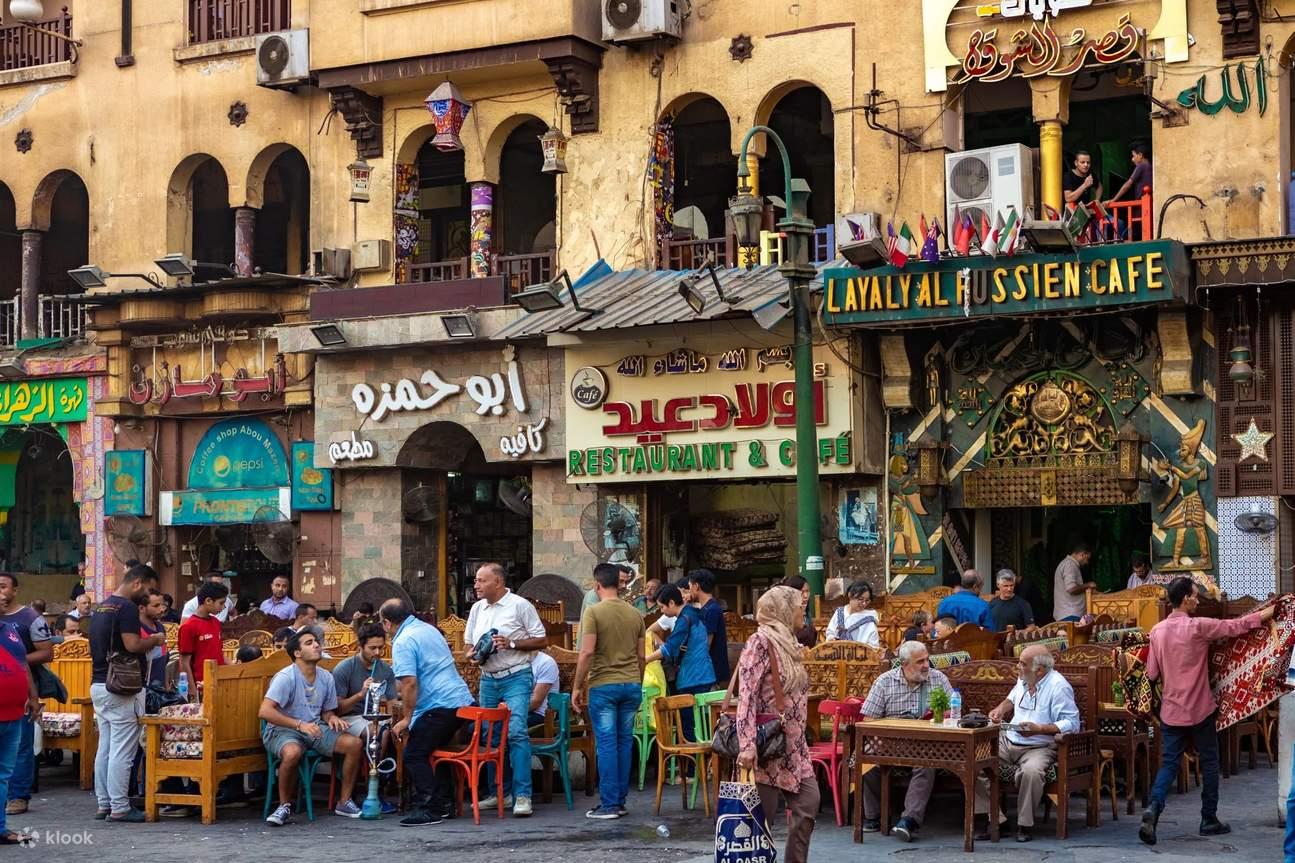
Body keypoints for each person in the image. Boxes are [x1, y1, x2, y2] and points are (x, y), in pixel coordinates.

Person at [1139, 577, 1274, 846]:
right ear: (1186, 599)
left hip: (1171, 710)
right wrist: (1266, 614)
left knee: (1169, 763)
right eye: (1196, 596)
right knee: (1211, 763)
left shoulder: (1157, 631)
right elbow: (1234, 626)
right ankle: (1208, 819)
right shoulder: (1198, 627)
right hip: (1200, 709)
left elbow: (1152, 673)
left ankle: (1154, 809)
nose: (1198, 601)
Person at [736, 586, 818, 863]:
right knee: (760, 823)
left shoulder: (791, 644)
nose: (802, 613)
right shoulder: (760, 643)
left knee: (808, 803)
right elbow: (746, 696)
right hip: (766, 746)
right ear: (783, 611)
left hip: (794, 746)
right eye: (798, 608)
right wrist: (747, 746)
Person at [463, 562, 547, 817]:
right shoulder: (477, 608)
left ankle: (523, 795)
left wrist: (511, 643)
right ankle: (498, 792)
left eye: (481, 580)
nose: (476, 585)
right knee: (489, 734)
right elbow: (468, 643)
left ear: (498, 582)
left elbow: (542, 639)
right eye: (476, 580)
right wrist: (474, 654)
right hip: (488, 677)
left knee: (516, 732)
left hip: (516, 676)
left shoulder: (520, 605)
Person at [381, 597, 473, 827]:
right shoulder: (427, 629)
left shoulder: (403, 641)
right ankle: (445, 804)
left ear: (386, 623)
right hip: (459, 701)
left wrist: (407, 719)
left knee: (413, 754)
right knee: (432, 750)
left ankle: (429, 808)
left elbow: (409, 683)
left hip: (439, 705)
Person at [974, 645, 1080, 842]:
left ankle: (1024, 825)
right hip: (1010, 740)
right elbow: (1011, 699)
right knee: (976, 762)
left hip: (1039, 746)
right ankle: (996, 819)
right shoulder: (1025, 678)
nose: (1017, 667)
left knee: (1031, 772)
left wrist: (1039, 729)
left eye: (1022, 664)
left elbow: (1071, 723)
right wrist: (1000, 709)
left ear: (1039, 670)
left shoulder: (1059, 686)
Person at [259, 629, 364, 824]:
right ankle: (284, 806)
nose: (316, 645)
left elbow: (327, 711)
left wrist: (331, 717)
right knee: (292, 753)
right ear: (297, 653)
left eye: (316, 641)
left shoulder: (326, 677)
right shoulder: (286, 677)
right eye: (309, 643)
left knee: (354, 744)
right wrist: (299, 725)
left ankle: (344, 801)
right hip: (282, 729)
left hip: (314, 727)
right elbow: (265, 711)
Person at [89, 563, 165, 822]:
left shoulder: (101, 606)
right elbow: (132, 644)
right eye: (149, 588)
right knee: (123, 750)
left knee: (106, 748)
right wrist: (153, 640)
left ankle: (104, 803)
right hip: (122, 686)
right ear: (137, 583)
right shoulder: (128, 607)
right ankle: (120, 807)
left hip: (99, 684)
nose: (149, 594)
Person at [860, 641, 954, 842]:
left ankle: (909, 820)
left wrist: (938, 718)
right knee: (866, 756)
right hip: (890, 741)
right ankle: (873, 815)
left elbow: (954, 715)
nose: (926, 665)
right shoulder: (884, 682)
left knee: (926, 764)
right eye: (920, 661)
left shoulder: (939, 679)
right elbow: (868, 719)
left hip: (926, 743)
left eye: (927, 659)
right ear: (904, 663)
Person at [572, 562, 645, 820]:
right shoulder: (635, 614)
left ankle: (610, 804)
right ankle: (620, 801)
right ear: (620, 583)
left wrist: (577, 685)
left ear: (597, 584)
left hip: (604, 684)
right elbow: (641, 656)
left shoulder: (593, 612)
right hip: (632, 684)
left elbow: (587, 651)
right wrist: (638, 681)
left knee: (606, 744)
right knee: (624, 742)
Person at [329, 623, 397, 815]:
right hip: (348, 718)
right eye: (372, 648)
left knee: (396, 733)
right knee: (380, 734)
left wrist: (396, 723)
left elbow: (392, 703)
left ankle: (388, 787)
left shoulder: (385, 670)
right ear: (360, 646)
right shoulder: (345, 668)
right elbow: (336, 708)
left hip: (375, 717)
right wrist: (360, 694)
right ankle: (373, 791)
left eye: (381, 648)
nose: (377, 652)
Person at [0, 572, 52, 816]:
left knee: (21, 747)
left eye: (3, 587)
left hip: (19, 699)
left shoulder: (28, 619)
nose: (1, 594)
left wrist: (33, 696)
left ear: (15, 590)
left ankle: (18, 795)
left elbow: (42, 654)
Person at [645, 584, 715, 742]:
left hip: (692, 677)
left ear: (671, 603)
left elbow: (669, 648)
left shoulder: (684, 619)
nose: (661, 611)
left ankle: (694, 765)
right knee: (703, 724)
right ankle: (703, 764)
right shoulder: (694, 613)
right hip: (704, 674)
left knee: (689, 725)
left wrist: (645, 660)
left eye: (662, 607)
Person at [0, 610, 40, 845]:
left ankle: (1, 828)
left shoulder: (10, 631)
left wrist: (33, 696)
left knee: (3, 775)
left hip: (13, 715)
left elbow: (22, 664)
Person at [178, 581, 229, 693]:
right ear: (208, 601)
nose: (224, 607)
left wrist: (236, 667)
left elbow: (219, 653)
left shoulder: (216, 622)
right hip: (201, 686)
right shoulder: (188, 626)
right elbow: (184, 662)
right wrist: (192, 690)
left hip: (219, 682)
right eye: (221, 603)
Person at [689, 569, 730, 684]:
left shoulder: (711, 610)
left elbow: (705, 644)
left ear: (696, 586)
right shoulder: (706, 608)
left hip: (711, 673)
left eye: (690, 586)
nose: (689, 591)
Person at [825, 581, 880, 646]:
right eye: (860, 599)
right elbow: (830, 632)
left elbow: (873, 645)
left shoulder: (869, 619)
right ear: (850, 595)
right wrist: (831, 638)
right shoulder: (840, 612)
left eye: (867, 600)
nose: (864, 603)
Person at [1053, 543, 1096, 623]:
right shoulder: (1070, 565)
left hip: (1070, 614)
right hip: (1070, 615)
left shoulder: (1068, 564)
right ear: (1082, 554)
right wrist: (1088, 585)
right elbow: (1071, 589)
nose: (1087, 562)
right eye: (1087, 559)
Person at [138, 589, 169, 690]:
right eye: (156, 606)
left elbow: (163, 662)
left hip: (160, 689)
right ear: (142, 608)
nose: (161, 609)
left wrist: (167, 686)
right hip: (142, 689)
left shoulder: (160, 627)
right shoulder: (136, 630)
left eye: (162, 605)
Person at [1107, 141, 1152, 206]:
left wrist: (1113, 200)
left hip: (1142, 207)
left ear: (1140, 155)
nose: (1132, 159)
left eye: (1133, 156)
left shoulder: (1141, 166)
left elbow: (1127, 184)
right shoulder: (1151, 167)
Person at [779, 575, 818, 648]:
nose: (806, 596)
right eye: (802, 592)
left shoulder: (807, 614)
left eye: (807, 591)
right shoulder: (784, 616)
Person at [527, 650, 560, 727]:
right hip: (515, 709)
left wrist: (509, 712)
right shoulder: (512, 661)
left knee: (500, 725)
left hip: (540, 714)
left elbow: (536, 702)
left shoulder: (546, 662)